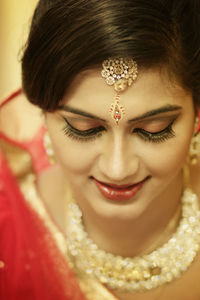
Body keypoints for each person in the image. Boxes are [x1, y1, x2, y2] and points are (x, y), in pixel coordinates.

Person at [1, 0, 200, 299]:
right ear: (41, 111)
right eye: (84, 129)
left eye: (153, 130)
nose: (117, 168)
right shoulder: (9, 206)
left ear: (197, 112)